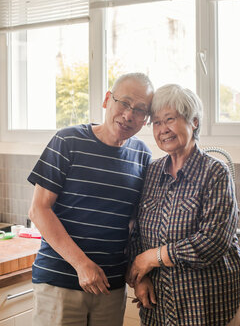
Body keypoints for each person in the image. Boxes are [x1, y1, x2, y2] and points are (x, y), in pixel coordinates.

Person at [27, 72, 154, 326]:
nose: (129, 115)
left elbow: (135, 225)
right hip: (60, 282)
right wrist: (82, 265)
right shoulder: (67, 141)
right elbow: (39, 210)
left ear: (146, 119)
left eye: (140, 110)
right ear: (108, 99)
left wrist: (140, 276)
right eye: (124, 103)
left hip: (111, 287)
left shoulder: (142, 156)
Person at [128, 84, 240, 326]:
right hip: (158, 306)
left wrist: (152, 257)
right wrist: (140, 278)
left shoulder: (215, 172)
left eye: (170, 119)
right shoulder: (151, 172)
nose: (163, 129)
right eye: (156, 122)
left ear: (194, 122)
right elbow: (135, 231)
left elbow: (213, 241)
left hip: (206, 306)